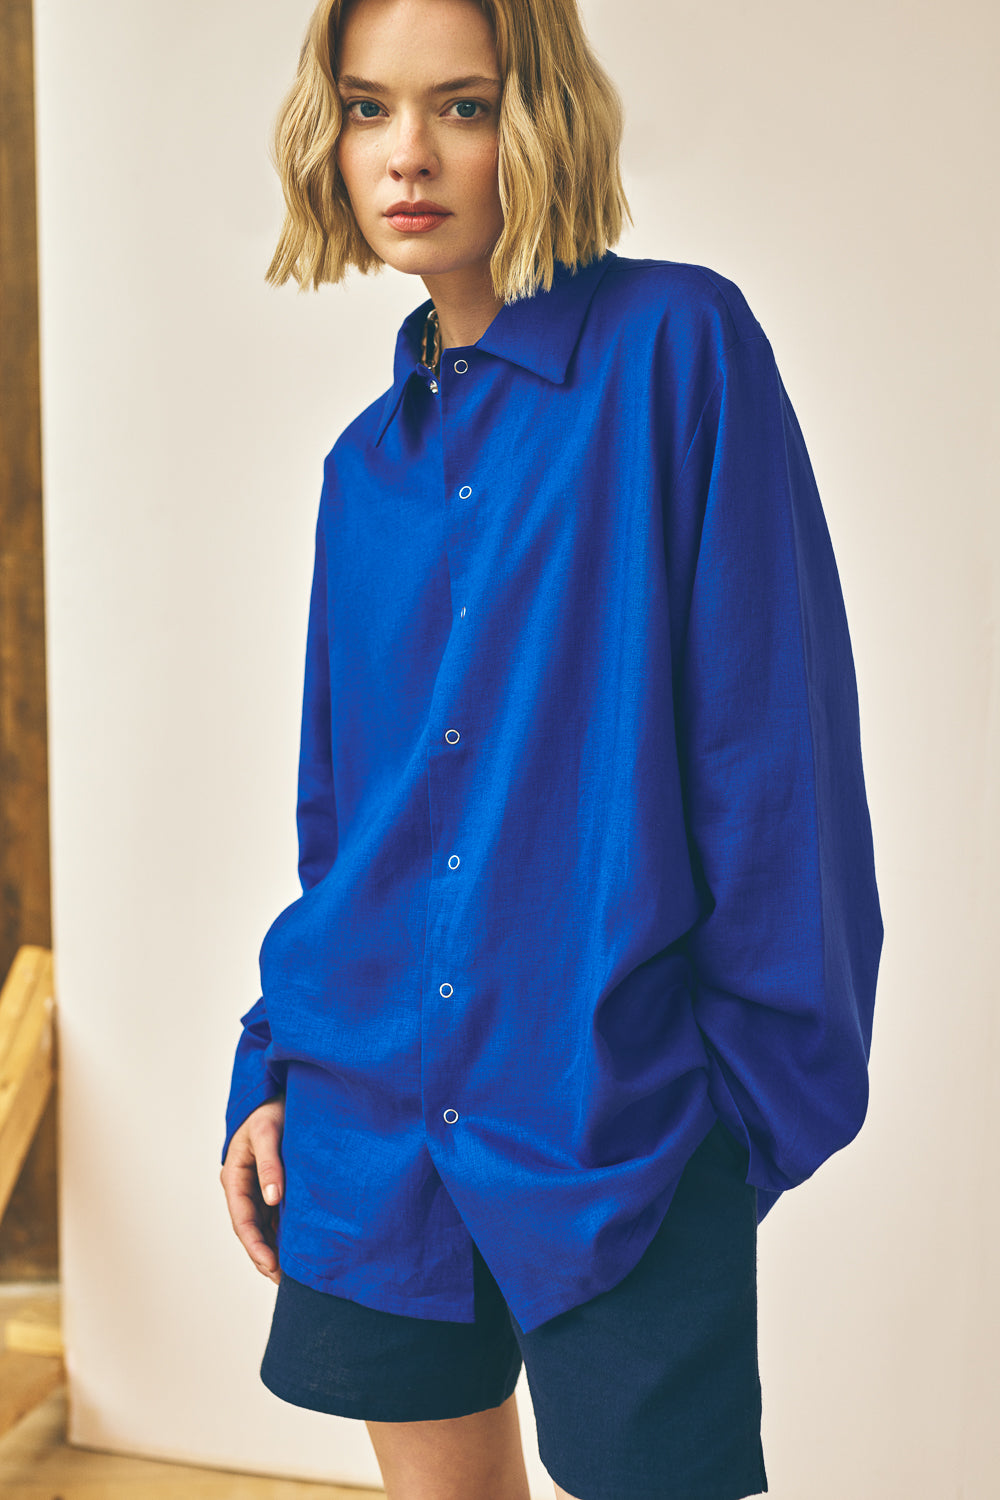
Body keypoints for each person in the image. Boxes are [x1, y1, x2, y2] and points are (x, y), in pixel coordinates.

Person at [219, 0, 884, 1496]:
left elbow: (774, 758)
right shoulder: (362, 470)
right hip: (370, 1115)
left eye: (461, 105)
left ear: (540, 120)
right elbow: (350, 828)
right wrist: (271, 1063)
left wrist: (745, 1109)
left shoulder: (678, 350)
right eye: (369, 108)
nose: (407, 156)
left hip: (618, 1116)